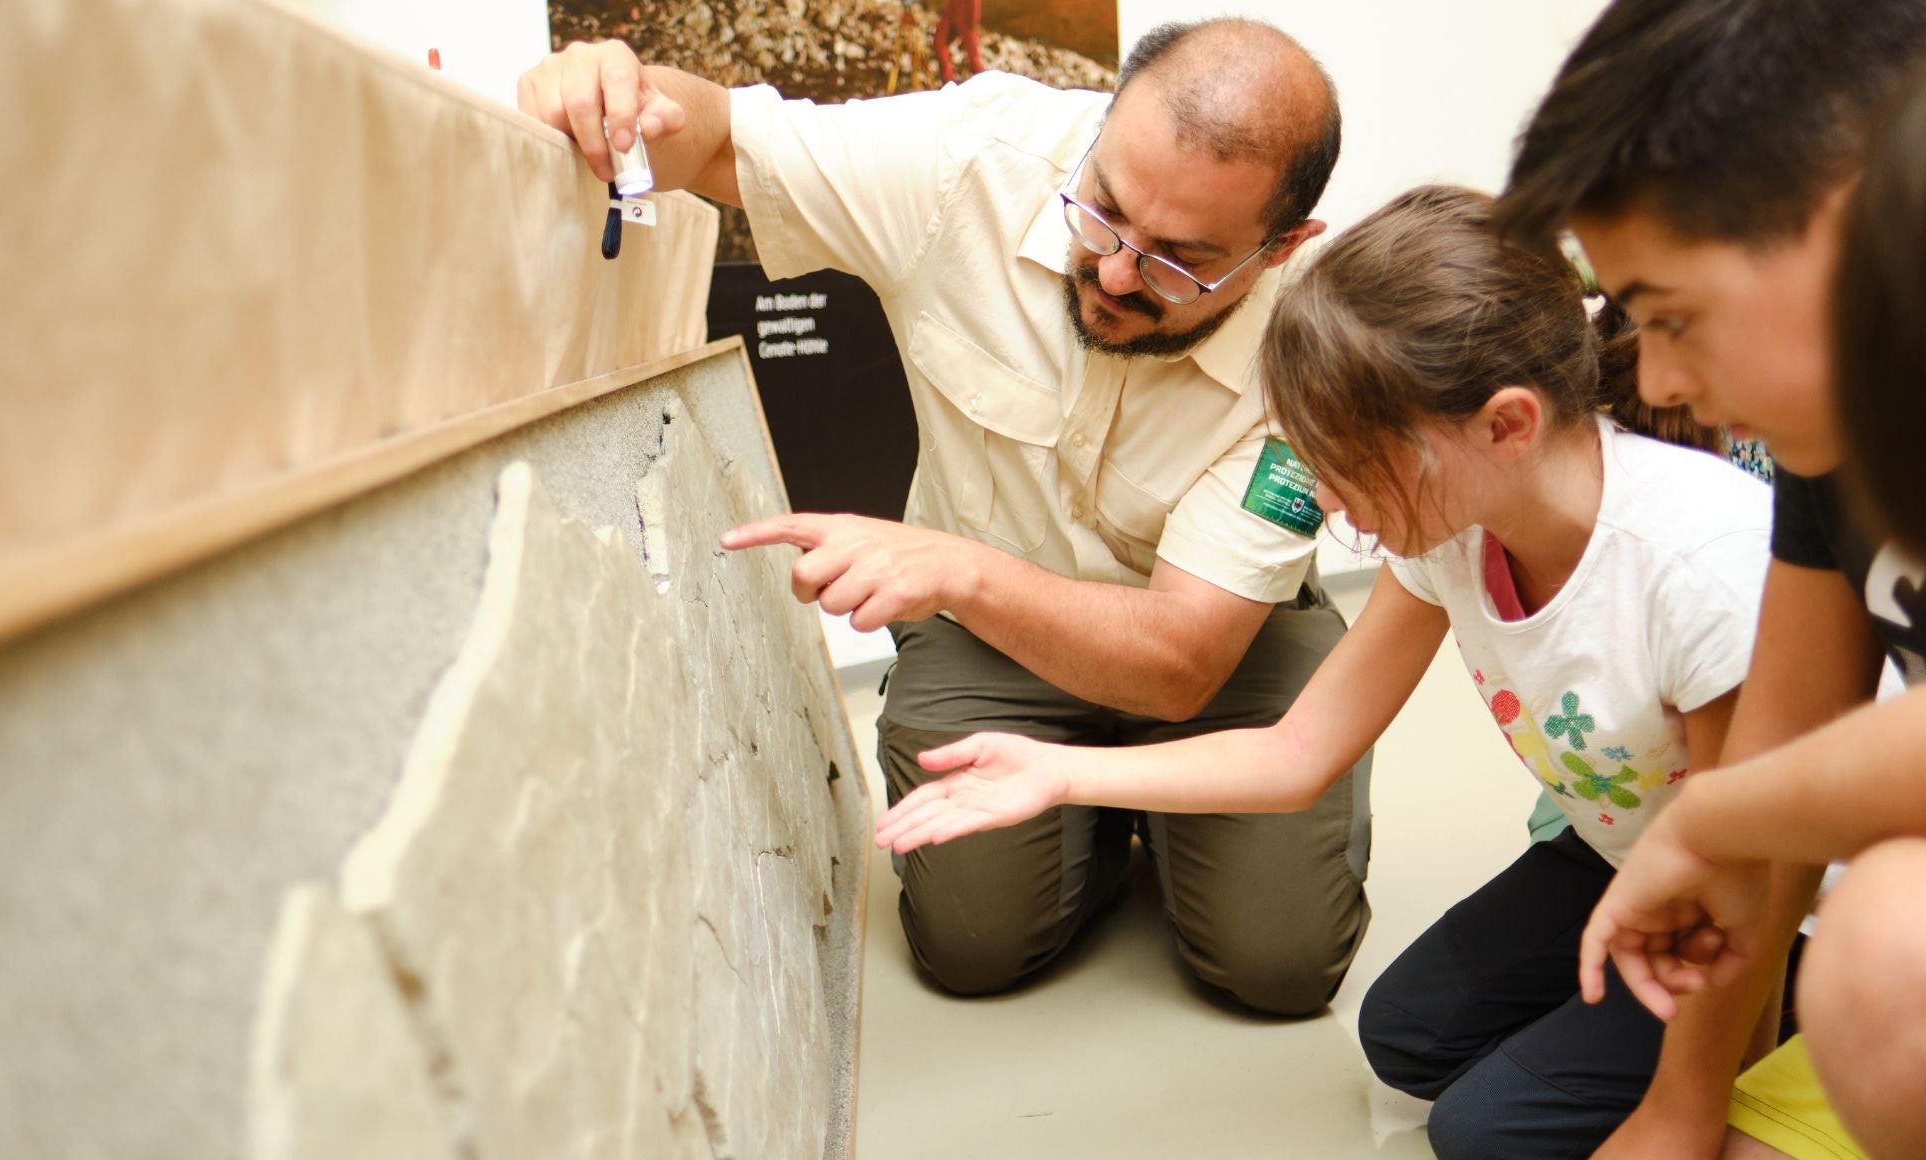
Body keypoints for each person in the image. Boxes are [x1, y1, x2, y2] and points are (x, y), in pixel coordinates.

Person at [877, 184, 1773, 1160]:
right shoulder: (1454, 525)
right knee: (1409, 1032)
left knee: (1483, 1133)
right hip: (1627, 851)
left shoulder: (1696, 566)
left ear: (1506, 425)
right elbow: (1300, 749)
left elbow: (1756, 875)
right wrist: (1060, 772)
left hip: (1787, 900)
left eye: (1353, 464)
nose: (1337, 509)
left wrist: (1697, 1111)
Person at [517, 20, 1370, 1016]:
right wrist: (610, 94)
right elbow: (707, 142)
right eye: (1104, 212)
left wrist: (956, 569)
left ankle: (1150, 808)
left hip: (1219, 646)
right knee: (973, 949)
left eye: (1183, 261)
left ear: (1283, 246)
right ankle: (1101, 826)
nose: (1119, 271)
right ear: (1101, 130)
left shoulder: (1324, 344)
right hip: (993, 649)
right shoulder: (971, 157)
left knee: (1279, 971)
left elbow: (1183, 658)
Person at [1499, 0, 1926, 1156]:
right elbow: (1785, 745)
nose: (1655, 373)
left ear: (1864, 212)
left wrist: (1705, 814)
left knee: (1904, 957)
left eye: (1673, 315)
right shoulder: (1844, 443)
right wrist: (1679, 1106)